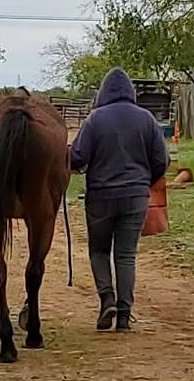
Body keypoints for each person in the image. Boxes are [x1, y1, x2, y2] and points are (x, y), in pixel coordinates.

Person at [70, 68, 167, 332]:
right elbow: (162, 161)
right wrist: (144, 182)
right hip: (135, 197)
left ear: (103, 93)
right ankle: (124, 316)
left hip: (101, 196)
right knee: (126, 255)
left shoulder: (95, 120)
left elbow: (77, 157)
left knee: (99, 251)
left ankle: (107, 299)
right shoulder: (147, 120)